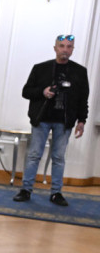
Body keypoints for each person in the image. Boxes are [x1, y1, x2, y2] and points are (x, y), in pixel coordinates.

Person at [14, 34, 89, 206]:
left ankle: (56, 193)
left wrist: (82, 121)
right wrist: (43, 91)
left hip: (64, 121)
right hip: (42, 118)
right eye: (62, 46)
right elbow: (26, 91)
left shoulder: (80, 72)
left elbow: (83, 99)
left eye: (69, 46)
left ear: (73, 50)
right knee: (34, 155)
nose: (65, 49)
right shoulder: (40, 68)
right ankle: (26, 190)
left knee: (59, 157)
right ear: (55, 48)